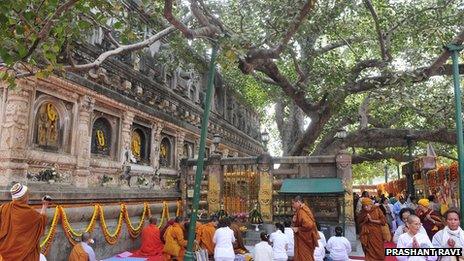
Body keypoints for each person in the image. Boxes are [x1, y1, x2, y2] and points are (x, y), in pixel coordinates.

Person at [0, 183, 49, 260]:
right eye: (27, 195)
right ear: (24, 198)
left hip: (5, 254)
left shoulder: (3, 208)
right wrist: (45, 205)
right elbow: (42, 220)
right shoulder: (31, 213)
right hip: (26, 255)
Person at [291, 195, 319, 261]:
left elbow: (309, 225)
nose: (293, 205)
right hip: (304, 239)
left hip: (304, 240)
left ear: (298, 202)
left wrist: (298, 229)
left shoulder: (302, 211)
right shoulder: (302, 210)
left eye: (293, 203)